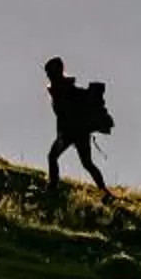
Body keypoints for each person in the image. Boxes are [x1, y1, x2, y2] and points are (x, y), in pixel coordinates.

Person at [43, 57, 113, 201]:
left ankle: (53, 186)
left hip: (71, 133)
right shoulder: (64, 89)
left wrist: (62, 134)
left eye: (50, 72)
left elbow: (64, 115)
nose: (48, 75)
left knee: (54, 157)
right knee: (86, 163)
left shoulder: (64, 91)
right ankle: (104, 191)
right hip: (78, 132)